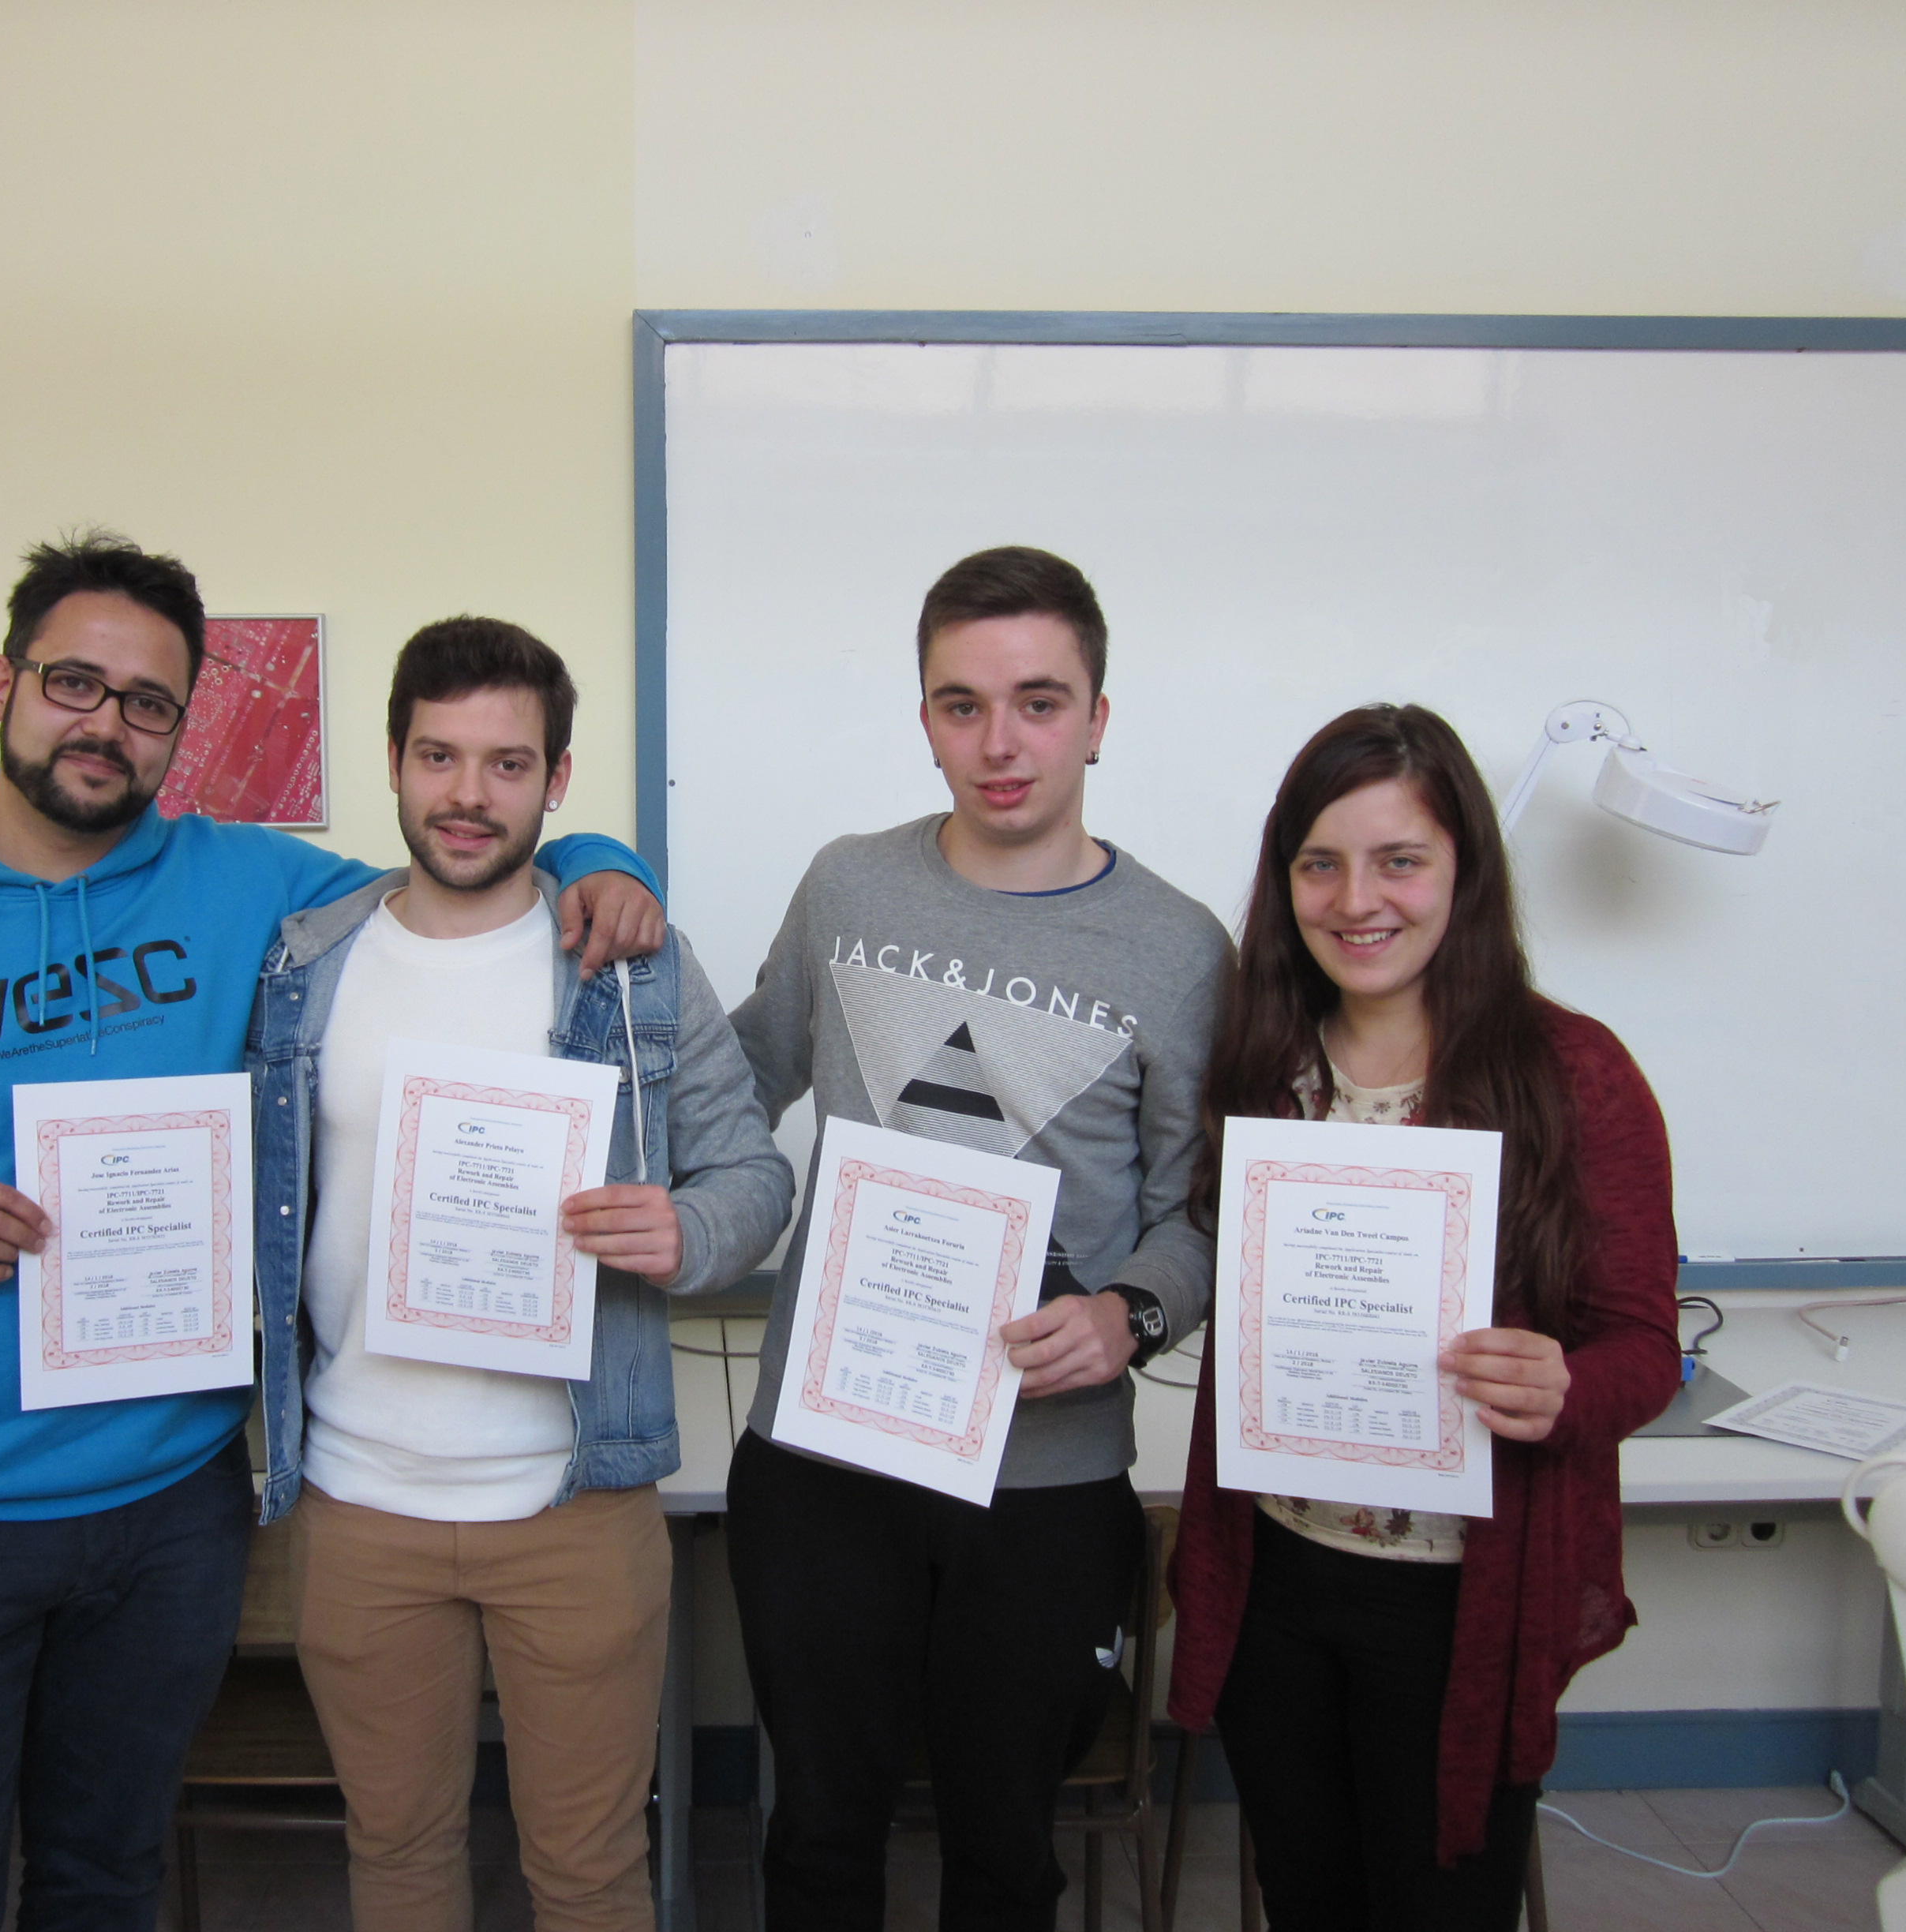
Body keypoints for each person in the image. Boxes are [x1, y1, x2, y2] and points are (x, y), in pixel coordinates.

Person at [0, 534, 664, 1932]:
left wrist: (601, 859)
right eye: (73, 683)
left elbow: (461, 853)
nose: (107, 722)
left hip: (165, 1502)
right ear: (2, 686)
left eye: (148, 702)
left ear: (180, 730)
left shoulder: (252, 889)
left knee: (107, 1882)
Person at [243, 615, 792, 1932]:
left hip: (573, 1499)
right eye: (439, 756)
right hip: (357, 1499)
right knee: (396, 1856)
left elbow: (755, 1177)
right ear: (393, 760)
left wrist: (689, 1233)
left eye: (507, 764)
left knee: (589, 1874)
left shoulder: (632, 965)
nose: (468, 795)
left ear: (557, 780)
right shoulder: (303, 962)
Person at [725, 546, 1232, 1930]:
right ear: (927, 719)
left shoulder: (1181, 949)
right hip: (824, 1462)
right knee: (817, 1838)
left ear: (1098, 719)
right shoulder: (848, 889)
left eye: (1039, 703)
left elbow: (1203, 1212)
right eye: (963, 705)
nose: (1000, 743)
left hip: (1045, 1479)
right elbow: (740, 1080)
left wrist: (1130, 1313)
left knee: (1006, 1857)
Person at [1166, 702, 1681, 1931]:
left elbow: (1645, 1347)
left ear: (1464, 872)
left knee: (1439, 1905)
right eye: (1321, 864)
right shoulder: (1261, 1065)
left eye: (1399, 860)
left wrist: (1564, 1387)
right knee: (1307, 1899)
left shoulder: (1574, 1073)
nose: (1358, 901)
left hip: (1460, 1605)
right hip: (1278, 1576)